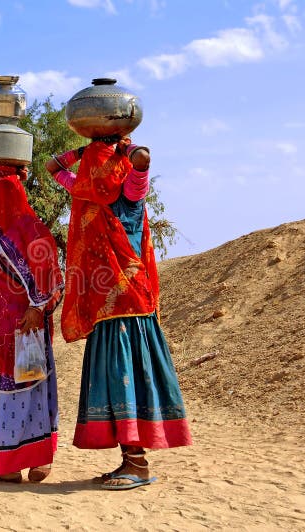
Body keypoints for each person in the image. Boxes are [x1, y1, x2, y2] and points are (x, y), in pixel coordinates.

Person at [46, 137, 192, 490]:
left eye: (100, 164)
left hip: (130, 308)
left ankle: (138, 464)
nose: (95, 171)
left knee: (127, 378)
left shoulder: (130, 194)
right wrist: (92, 149)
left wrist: (117, 148)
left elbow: (143, 159)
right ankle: (130, 461)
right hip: (106, 309)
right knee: (117, 381)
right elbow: (52, 169)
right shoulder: (86, 193)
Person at [0, 164, 63, 483]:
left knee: (27, 384)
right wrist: (2, 168)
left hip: (23, 327)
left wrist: (37, 305)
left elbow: (50, 274)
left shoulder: (28, 228)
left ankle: (35, 459)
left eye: (3, 192)